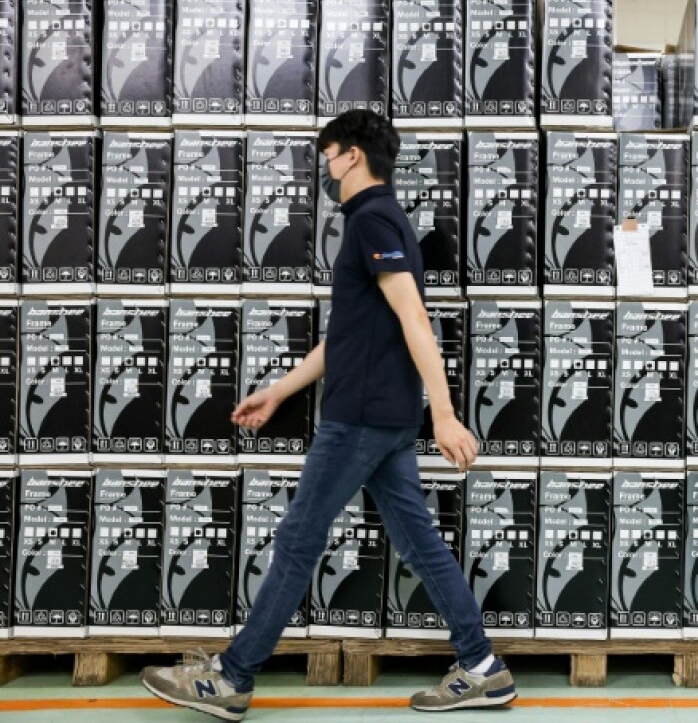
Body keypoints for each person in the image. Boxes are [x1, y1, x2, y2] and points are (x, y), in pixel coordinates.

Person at [141, 109, 515, 720]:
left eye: (327, 156)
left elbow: (416, 318)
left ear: (351, 156)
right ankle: (481, 667)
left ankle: (232, 678)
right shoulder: (378, 222)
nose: (324, 169)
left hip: (362, 418)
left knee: (296, 541)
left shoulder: (373, 218)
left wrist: (444, 415)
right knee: (418, 540)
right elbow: (346, 334)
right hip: (382, 417)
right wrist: (281, 391)